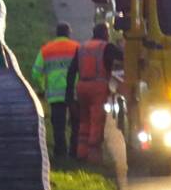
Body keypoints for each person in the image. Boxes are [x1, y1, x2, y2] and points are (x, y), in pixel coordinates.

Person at [66, 23, 123, 164]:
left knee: (84, 121)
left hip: (82, 87)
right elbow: (123, 57)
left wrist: (69, 94)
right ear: (105, 34)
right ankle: (94, 158)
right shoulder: (106, 47)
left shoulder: (82, 47)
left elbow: (71, 71)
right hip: (97, 89)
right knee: (96, 122)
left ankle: (81, 154)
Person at [32, 23, 80, 158]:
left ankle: (60, 152)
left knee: (59, 126)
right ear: (69, 34)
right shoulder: (77, 48)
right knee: (76, 125)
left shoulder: (46, 50)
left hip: (55, 95)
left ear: (56, 34)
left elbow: (35, 73)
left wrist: (42, 88)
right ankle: (75, 152)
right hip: (74, 93)